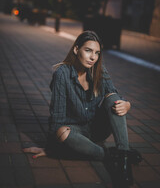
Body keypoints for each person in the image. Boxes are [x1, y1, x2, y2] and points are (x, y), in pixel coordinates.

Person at [23, 30, 142, 188]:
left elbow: (115, 95)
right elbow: (57, 116)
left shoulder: (99, 70)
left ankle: (124, 158)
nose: (93, 57)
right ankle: (113, 155)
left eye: (97, 53)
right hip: (76, 131)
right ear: (76, 49)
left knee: (113, 98)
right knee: (61, 131)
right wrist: (51, 149)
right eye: (88, 51)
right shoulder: (62, 74)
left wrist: (127, 104)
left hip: (97, 128)